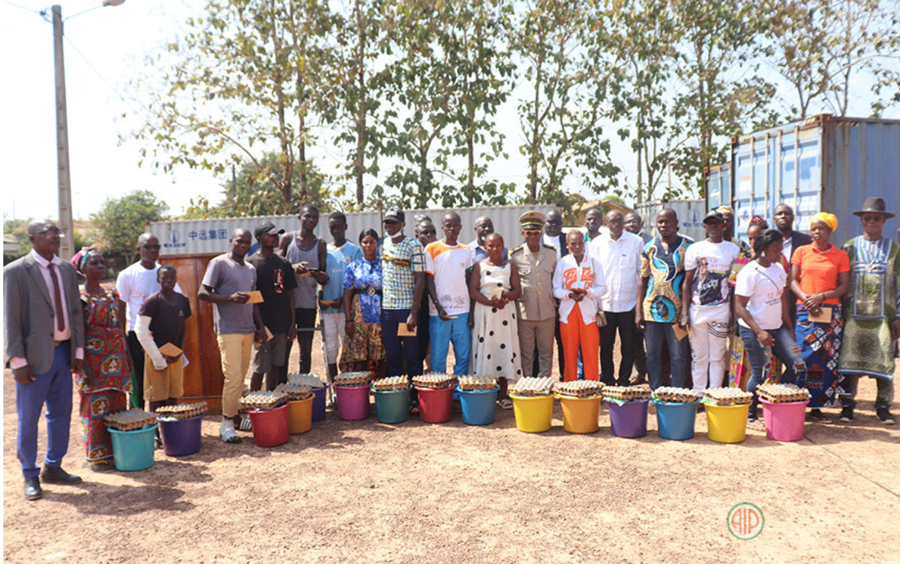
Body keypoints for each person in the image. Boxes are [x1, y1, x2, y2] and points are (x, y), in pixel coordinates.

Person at [5, 220, 85, 500]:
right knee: (29, 418)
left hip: (64, 353)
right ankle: (30, 473)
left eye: (56, 232)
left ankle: (54, 466)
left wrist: (78, 352)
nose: (55, 236)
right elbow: (11, 319)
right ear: (31, 238)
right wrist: (17, 360)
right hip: (33, 358)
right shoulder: (15, 272)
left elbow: (75, 312)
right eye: (47, 232)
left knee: (61, 413)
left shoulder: (65, 269)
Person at [199, 228, 265, 443]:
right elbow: (202, 293)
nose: (243, 245)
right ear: (230, 242)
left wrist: (260, 326)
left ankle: (236, 419)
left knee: (241, 377)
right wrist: (228, 298)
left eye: (247, 242)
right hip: (228, 329)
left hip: (247, 329)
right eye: (239, 241)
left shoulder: (249, 269)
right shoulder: (219, 263)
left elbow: (253, 300)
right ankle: (226, 423)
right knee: (233, 377)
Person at [838, 197, 898, 424]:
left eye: (876, 218)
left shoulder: (894, 250)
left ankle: (883, 407)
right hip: (853, 318)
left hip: (883, 318)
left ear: (884, 221)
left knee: (884, 360)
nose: (871, 222)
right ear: (862, 221)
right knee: (848, 364)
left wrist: (899, 316)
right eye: (867, 218)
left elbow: (899, 283)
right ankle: (847, 406)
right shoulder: (849, 247)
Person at [734, 229, 805, 421]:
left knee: (797, 364)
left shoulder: (778, 269)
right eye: (776, 250)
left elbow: (782, 300)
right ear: (764, 249)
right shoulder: (749, 272)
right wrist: (759, 332)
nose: (779, 254)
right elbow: (739, 307)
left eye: (781, 250)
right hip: (754, 329)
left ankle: (779, 401)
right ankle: (751, 412)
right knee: (760, 372)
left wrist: (789, 328)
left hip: (778, 328)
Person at [72, 248, 132, 469]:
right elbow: (77, 332)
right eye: (94, 263)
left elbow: (120, 325)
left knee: (117, 405)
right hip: (92, 361)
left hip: (116, 357)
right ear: (82, 270)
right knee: (93, 407)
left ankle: (118, 452)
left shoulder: (111, 293)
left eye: (102, 262)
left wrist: (126, 354)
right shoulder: (79, 297)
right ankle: (96, 456)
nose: (100, 266)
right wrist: (83, 367)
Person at [791, 212, 850, 423]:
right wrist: (807, 298)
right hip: (805, 310)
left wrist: (822, 296)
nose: (817, 232)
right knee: (803, 357)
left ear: (830, 231)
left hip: (830, 313)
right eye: (814, 228)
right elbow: (793, 281)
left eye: (821, 228)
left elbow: (843, 286)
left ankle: (818, 407)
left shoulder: (840, 255)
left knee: (825, 361)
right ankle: (797, 403)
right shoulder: (801, 251)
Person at [116, 232, 181, 409]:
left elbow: (178, 302)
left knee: (162, 385)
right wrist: (124, 343)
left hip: (163, 338)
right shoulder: (128, 274)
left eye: (156, 247)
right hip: (138, 338)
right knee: (138, 384)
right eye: (147, 247)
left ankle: (162, 430)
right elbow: (120, 310)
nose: (152, 250)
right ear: (138, 249)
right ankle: (139, 427)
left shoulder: (165, 272)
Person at [682, 211, 740, 393]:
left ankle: (714, 393)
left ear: (724, 226)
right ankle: (698, 393)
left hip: (721, 310)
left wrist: (733, 315)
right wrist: (684, 313)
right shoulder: (695, 249)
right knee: (699, 356)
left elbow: (734, 286)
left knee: (717, 356)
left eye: (717, 223)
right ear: (705, 227)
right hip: (697, 310)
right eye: (709, 224)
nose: (713, 227)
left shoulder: (733, 250)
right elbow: (687, 283)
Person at [637, 209, 692, 389]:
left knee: (678, 355)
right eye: (660, 222)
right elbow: (643, 280)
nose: (663, 225)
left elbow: (691, 281)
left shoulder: (688, 247)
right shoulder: (649, 247)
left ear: (676, 223)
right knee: (652, 355)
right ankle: (656, 391)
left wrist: (685, 313)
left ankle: (676, 392)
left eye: (667, 222)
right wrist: (638, 311)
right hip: (652, 311)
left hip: (677, 313)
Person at [136, 265, 191, 433]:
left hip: (174, 354)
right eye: (165, 277)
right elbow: (141, 330)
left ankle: (170, 429)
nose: (169, 280)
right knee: (156, 396)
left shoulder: (182, 300)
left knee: (173, 393)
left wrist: (179, 351)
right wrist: (158, 356)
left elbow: (183, 328)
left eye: (172, 277)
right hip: (156, 356)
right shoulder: (152, 301)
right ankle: (154, 432)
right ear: (158, 280)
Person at [590, 210, 643, 386]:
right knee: (605, 346)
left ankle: (623, 379)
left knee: (628, 346)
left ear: (624, 223)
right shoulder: (597, 243)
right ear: (606, 224)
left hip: (628, 305)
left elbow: (639, 272)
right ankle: (608, 379)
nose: (616, 225)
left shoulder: (636, 242)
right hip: (604, 304)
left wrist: (639, 306)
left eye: (619, 221)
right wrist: (595, 304)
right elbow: (593, 274)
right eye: (612, 222)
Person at [470, 233, 523, 408]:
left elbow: (518, 291)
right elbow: (473, 291)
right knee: (487, 348)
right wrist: (489, 302)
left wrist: (503, 297)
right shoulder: (479, 266)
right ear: (485, 247)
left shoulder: (510, 266)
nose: (494, 249)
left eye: (498, 245)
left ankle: (503, 394)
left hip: (505, 313)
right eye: (491, 246)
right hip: (485, 312)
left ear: (503, 246)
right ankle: (487, 391)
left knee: (504, 348)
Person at [279, 204, 329, 380]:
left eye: (315, 217)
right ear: (299, 217)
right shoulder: (287, 239)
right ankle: (282, 386)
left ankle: (303, 386)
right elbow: (277, 266)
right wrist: (292, 267)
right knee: (284, 350)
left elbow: (324, 277)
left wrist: (314, 273)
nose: (311, 220)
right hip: (286, 304)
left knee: (305, 350)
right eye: (307, 216)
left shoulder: (320, 244)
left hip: (307, 304)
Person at [247, 221, 296, 393]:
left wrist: (292, 323)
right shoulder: (251, 264)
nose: (276, 238)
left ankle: (271, 400)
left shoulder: (283, 263)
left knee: (276, 366)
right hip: (263, 327)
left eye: (277, 235)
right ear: (260, 238)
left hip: (282, 324)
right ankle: (253, 403)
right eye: (271, 235)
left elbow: (290, 294)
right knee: (260, 367)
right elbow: (252, 299)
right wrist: (259, 326)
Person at [553, 231, 608, 381]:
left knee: (590, 352)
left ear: (584, 243)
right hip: (568, 312)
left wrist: (587, 292)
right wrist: (569, 295)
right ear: (567, 245)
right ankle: (570, 386)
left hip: (588, 312)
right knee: (569, 353)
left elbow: (603, 288)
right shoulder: (562, 263)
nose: (577, 247)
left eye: (580, 243)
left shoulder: (593, 262)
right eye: (573, 244)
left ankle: (592, 386)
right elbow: (556, 289)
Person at [510, 211, 558, 379]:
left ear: (541, 233)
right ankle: (527, 386)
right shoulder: (515, 256)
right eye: (528, 232)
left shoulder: (552, 254)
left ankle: (545, 385)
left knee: (546, 353)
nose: (532, 236)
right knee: (526, 354)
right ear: (522, 233)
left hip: (547, 312)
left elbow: (555, 281)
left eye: (536, 232)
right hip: (525, 312)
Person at [380, 207, 426, 386]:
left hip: (406, 309)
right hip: (388, 310)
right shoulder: (385, 244)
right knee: (392, 355)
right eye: (387, 222)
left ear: (403, 224)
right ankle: (396, 393)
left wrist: (414, 312)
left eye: (393, 222)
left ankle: (415, 397)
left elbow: (420, 279)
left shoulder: (413, 245)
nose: (389, 225)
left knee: (411, 355)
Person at [425, 212, 474, 375]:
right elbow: (429, 281)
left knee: (463, 355)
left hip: (462, 312)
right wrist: (438, 306)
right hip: (439, 313)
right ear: (442, 228)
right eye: (448, 225)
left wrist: (471, 311)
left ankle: (458, 393)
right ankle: (440, 392)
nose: (452, 228)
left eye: (455, 225)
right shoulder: (431, 249)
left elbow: (468, 281)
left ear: (460, 227)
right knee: (438, 356)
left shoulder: (467, 251)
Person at [321, 212, 361, 389]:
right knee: (330, 349)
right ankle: (334, 387)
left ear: (346, 227)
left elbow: (360, 282)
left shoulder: (354, 251)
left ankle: (348, 387)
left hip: (348, 312)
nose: (336, 230)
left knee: (348, 350)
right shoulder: (324, 251)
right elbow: (320, 278)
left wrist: (345, 299)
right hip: (328, 311)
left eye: (339, 227)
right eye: (332, 228)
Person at [342, 229, 385, 374]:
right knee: (358, 356)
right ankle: (359, 391)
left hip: (379, 316)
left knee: (378, 356)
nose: (368, 245)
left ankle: (378, 391)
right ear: (360, 244)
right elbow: (347, 295)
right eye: (365, 242)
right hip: (359, 316)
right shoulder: (353, 266)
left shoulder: (384, 265)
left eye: (372, 242)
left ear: (377, 244)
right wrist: (348, 320)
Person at [624, 211, 651, 383]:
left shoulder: (649, 242)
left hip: (650, 299)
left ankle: (657, 373)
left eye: (635, 222)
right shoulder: (623, 241)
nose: (631, 225)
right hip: (629, 300)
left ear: (641, 224)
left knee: (652, 340)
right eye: (628, 222)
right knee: (634, 340)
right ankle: (640, 371)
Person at [542, 208, 568, 376]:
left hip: (566, 299)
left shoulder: (569, 241)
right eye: (550, 222)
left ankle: (565, 376)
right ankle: (540, 378)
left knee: (564, 341)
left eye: (556, 222)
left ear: (561, 224)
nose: (553, 225)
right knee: (542, 343)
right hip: (542, 299)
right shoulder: (536, 240)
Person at [415, 219, 438, 370]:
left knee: (434, 343)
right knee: (416, 345)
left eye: (432, 231)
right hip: (416, 305)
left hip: (436, 305)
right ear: (417, 236)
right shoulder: (412, 254)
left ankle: (431, 375)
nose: (429, 235)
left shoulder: (441, 252)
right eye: (425, 232)